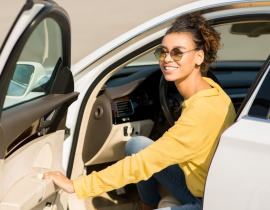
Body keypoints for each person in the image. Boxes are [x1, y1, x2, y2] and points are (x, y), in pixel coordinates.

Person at [43, 11, 236, 210]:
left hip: (208, 202)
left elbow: (142, 164)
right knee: (136, 145)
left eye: (177, 53)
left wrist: (76, 185)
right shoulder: (212, 88)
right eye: (163, 51)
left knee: (141, 159)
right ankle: (147, 205)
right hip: (204, 184)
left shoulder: (201, 114)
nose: (167, 59)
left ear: (199, 56)